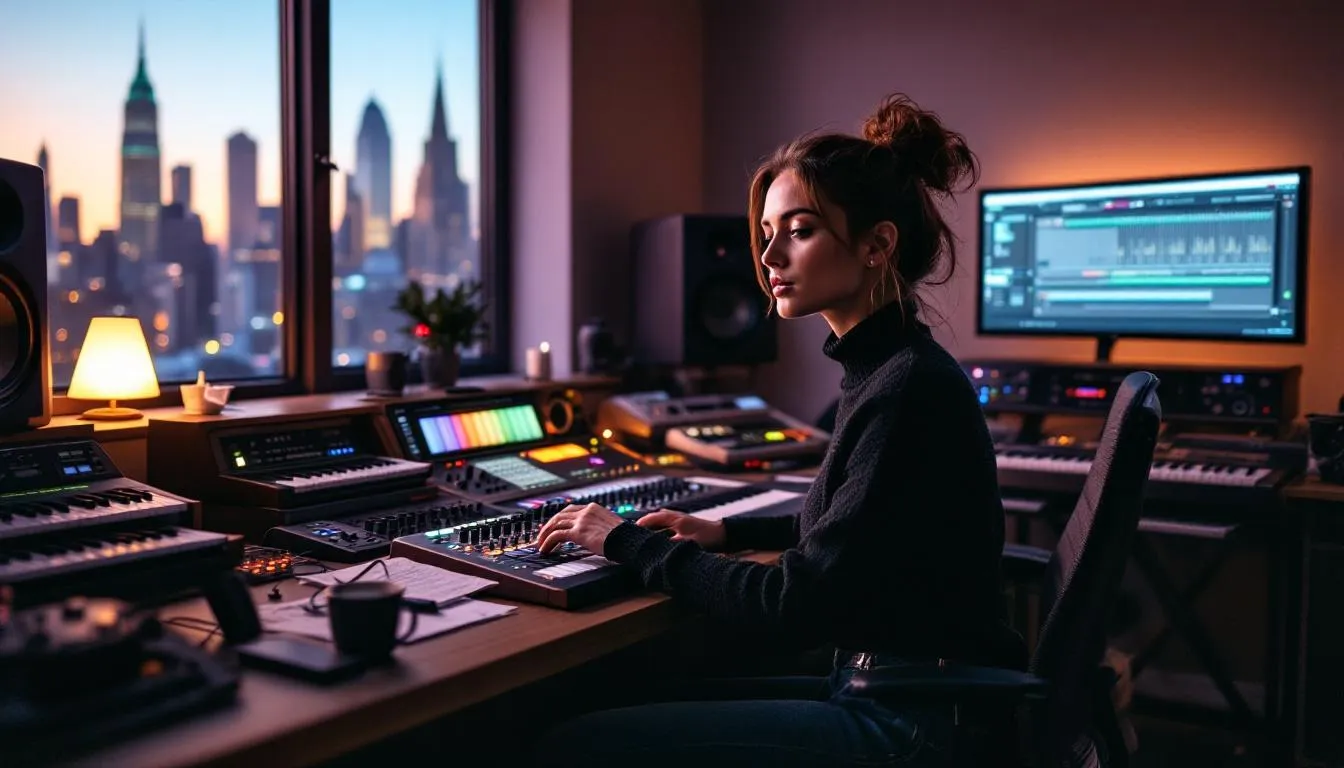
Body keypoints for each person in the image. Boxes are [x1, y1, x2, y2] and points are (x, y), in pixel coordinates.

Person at [530, 93, 1026, 767]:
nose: (768, 255)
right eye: (767, 232)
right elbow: (860, 534)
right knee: (638, 689)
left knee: (572, 745)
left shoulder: (905, 389)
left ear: (878, 244)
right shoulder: (892, 368)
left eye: (798, 230)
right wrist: (729, 532)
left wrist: (623, 542)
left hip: (917, 722)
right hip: (902, 687)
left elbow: (795, 605)